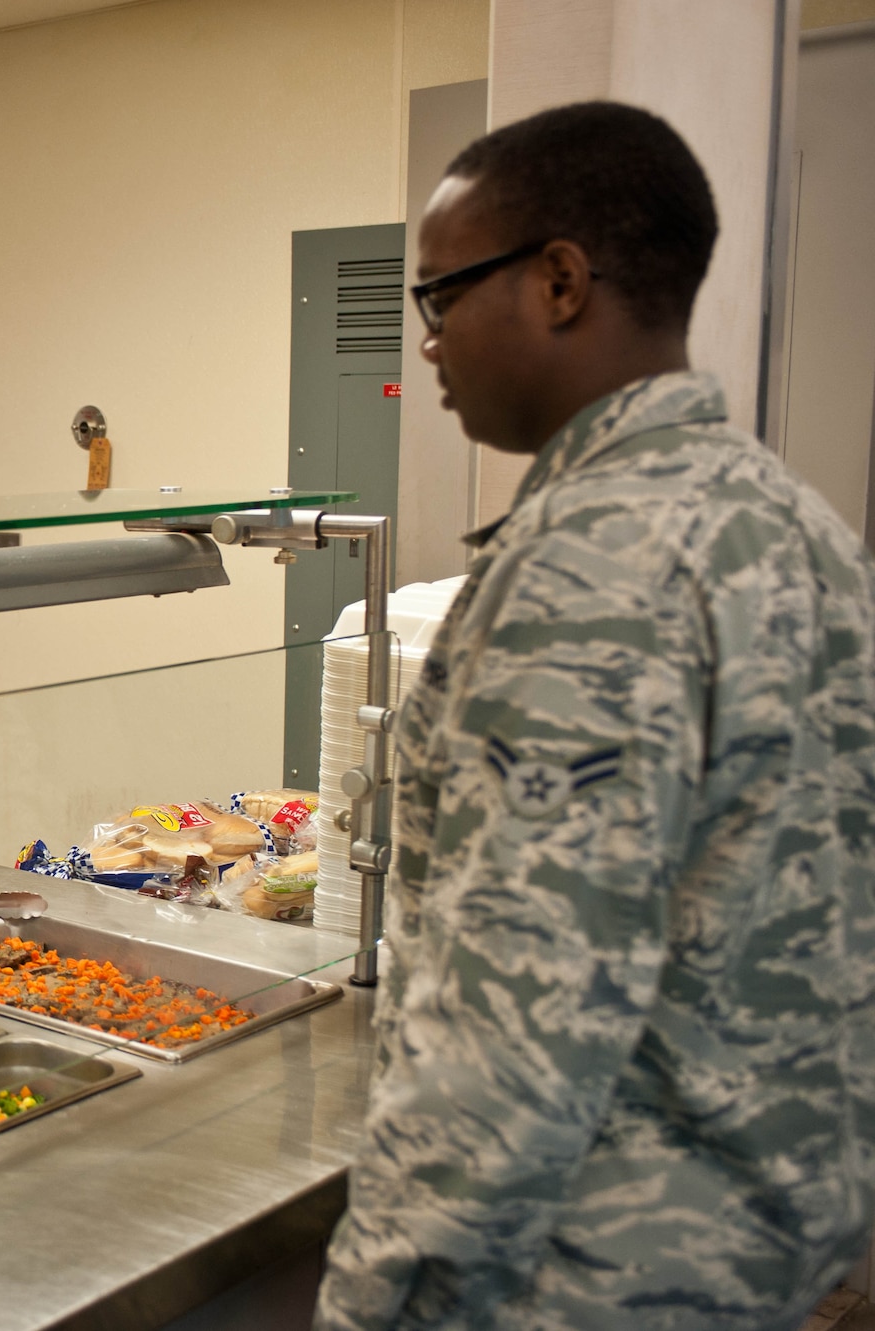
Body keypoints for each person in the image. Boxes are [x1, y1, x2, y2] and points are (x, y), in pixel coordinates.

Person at [315, 103, 875, 1329]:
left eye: (440, 296)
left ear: (558, 281)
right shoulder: (792, 523)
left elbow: (510, 1035)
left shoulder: (585, 568)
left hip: (588, 1273)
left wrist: (374, 1303)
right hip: (768, 1237)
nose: (428, 344)